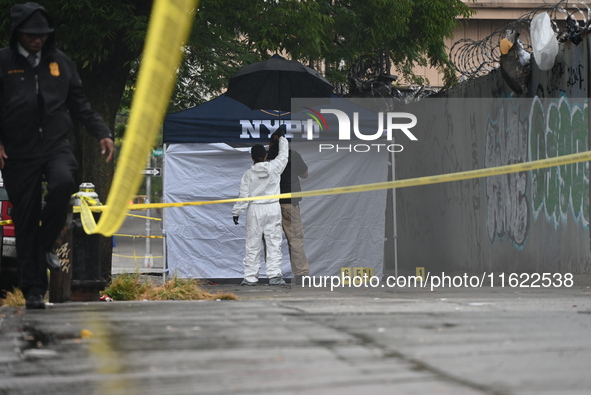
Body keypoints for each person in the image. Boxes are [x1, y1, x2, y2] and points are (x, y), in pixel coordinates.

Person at [0, 3, 115, 309]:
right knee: (24, 219)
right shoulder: (3, 62)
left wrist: (102, 132)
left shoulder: (60, 63)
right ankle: (34, 291)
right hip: (17, 149)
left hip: (54, 143)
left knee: (64, 181)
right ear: (19, 34)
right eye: (31, 35)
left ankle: (47, 241)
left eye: (43, 35)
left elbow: (80, 103)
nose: (38, 40)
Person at [232, 129, 288, 286]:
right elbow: (284, 156)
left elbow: (243, 196)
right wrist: (282, 138)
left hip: (255, 210)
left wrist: (237, 212)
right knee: (274, 242)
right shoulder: (275, 167)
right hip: (273, 208)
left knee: (252, 243)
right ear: (265, 156)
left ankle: (250, 278)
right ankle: (275, 276)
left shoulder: (248, 175)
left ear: (251, 158)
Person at [268, 136, 310, 285]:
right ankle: (301, 274)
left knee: (272, 240)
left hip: (271, 203)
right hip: (290, 204)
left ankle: (274, 275)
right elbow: (305, 174)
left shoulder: (269, 156)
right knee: (295, 239)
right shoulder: (294, 155)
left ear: (272, 143)